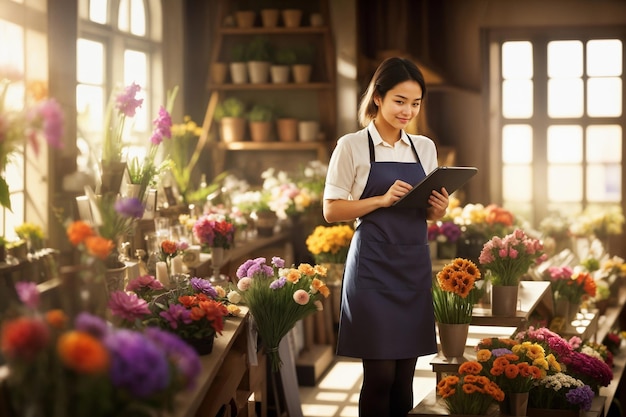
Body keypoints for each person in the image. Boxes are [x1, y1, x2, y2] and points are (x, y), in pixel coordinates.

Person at [322, 57, 449, 417]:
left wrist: (438, 209)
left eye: (415, 103)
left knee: (405, 378)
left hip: (412, 267)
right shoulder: (351, 146)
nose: (407, 110)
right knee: (379, 376)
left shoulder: (424, 148)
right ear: (377, 97)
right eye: (399, 101)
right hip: (373, 269)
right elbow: (331, 210)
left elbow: (427, 213)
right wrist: (379, 199)